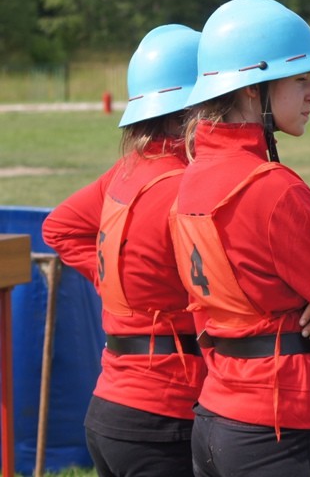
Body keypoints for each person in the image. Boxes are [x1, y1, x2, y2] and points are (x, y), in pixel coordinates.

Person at [171, 0, 310, 477]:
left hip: (215, 419)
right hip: (278, 428)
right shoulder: (273, 190)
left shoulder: (190, 176)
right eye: (302, 79)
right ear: (252, 90)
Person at [41, 24, 205, 477]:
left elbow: (60, 226)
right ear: (185, 114)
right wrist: (121, 280)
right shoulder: (185, 185)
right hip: (164, 414)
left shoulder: (130, 168)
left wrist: (120, 282)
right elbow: (62, 229)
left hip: (111, 409)